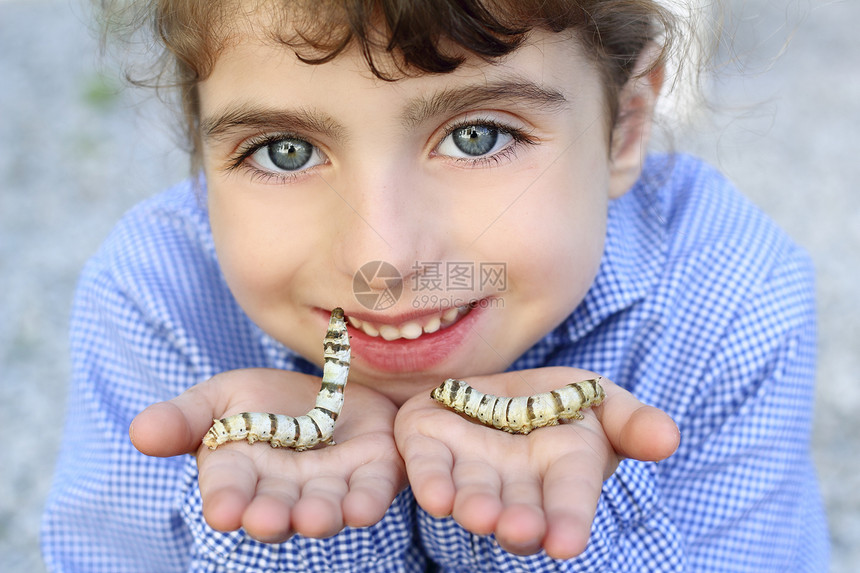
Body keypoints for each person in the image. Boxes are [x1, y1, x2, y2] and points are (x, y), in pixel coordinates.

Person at [41, 0, 829, 571]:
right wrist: (293, 543)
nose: (380, 256)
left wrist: (539, 540)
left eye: (477, 135)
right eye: (284, 150)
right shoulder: (158, 303)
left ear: (623, 124)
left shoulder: (728, 298)